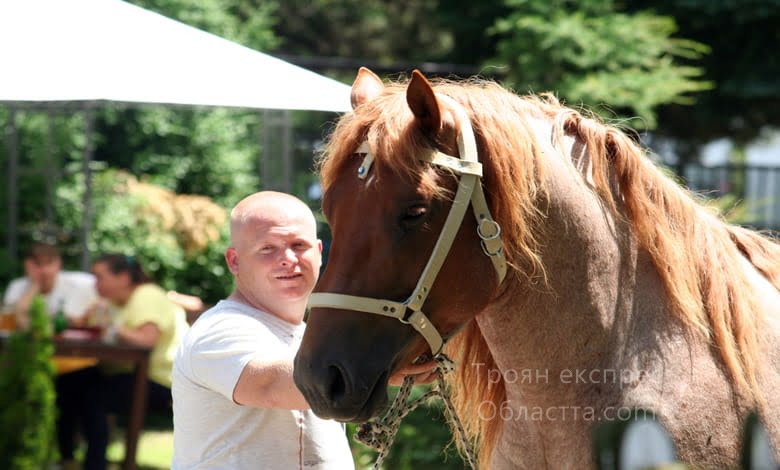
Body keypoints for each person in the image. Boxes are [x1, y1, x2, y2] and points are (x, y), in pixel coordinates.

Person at [171, 191, 435, 469]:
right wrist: (377, 367)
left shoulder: (312, 337)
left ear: (319, 253)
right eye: (267, 249)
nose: (287, 259)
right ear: (234, 261)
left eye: (299, 245)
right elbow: (270, 386)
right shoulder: (218, 328)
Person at [2, 242, 103, 470]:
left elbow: (96, 313)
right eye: (36, 265)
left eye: (49, 264)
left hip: (75, 364)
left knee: (81, 391)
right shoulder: (19, 287)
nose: (44, 270)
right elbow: (19, 324)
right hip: (31, 364)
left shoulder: (81, 284)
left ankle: (69, 457)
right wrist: (33, 289)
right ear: (27, 266)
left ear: (59, 264)